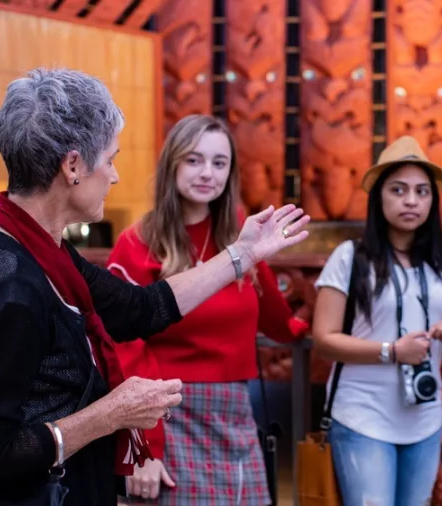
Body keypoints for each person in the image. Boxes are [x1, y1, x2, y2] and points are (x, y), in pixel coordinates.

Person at [0, 68, 310, 506]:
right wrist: (108, 415)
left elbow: (138, 309)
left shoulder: (41, 249)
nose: (114, 177)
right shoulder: (12, 287)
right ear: (73, 166)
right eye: (110, 160)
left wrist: (240, 256)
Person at [106, 114, 309, 505]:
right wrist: (143, 449)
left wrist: (305, 330)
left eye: (219, 163)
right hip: (166, 411)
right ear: (172, 164)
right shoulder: (137, 243)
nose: (207, 173)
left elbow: (272, 312)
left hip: (235, 411)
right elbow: (123, 349)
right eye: (194, 160)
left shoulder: (238, 236)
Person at [310, 136, 442, 505]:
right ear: (379, 197)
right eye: (399, 190)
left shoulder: (440, 258)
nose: (411, 201)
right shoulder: (349, 257)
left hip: (425, 416)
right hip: (362, 416)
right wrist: (391, 351)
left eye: (422, 192)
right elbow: (323, 337)